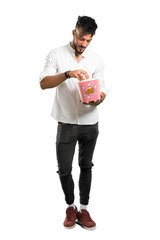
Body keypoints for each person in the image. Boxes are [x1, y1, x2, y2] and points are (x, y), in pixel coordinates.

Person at [39, 16, 108, 230]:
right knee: (64, 169)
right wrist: (68, 74)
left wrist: (99, 98)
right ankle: (71, 207)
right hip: (66, 122)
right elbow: (43, 83)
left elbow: (103, 89)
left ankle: (84, 209)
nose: (83, 44)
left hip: (90, 122)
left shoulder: (96, 59)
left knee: (86, 166)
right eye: (81, 38)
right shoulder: (56, 54)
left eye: (88, 41)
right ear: (73, 32)